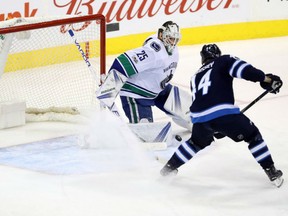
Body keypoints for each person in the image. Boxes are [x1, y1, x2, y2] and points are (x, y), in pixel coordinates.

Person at [160, 44, 284, 187]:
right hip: (223, 113)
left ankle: (168, 169)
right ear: (218, 54)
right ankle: (271, 171)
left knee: (195, 143)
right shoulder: (224, 60)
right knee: (253, 136)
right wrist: (266, 79)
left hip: (199, 119)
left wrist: (216, 128)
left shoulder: (195, 77)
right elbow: (245, 70)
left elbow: (202, 102)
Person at [97, 21, 192, 131]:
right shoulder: (154, 52)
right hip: (137, 94)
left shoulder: (173, 50)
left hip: (159, 90)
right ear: (161, 35)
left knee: (191, 111)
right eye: (170, 38)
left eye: (176, 39)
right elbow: (123, 61)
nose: (173, 43)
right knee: (146, 132)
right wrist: (109, 85)